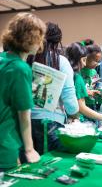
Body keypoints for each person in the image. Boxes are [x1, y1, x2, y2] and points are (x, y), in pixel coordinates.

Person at [0, 12, 46, 170]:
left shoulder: (2, 60)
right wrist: (30, 149)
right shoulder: (20, 68)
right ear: (29, 38)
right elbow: (24, 115)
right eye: (39, 36)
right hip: (6, 145)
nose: (41, 42)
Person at [28, 22, 79, 155]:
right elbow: (70, 99)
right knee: (49, 164)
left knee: (28, 166)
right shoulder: (60, 61)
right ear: (57, 41)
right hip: (50, 122)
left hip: (26, 121)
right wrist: (74, 113)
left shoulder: (28, 58)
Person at [66, 42, 102, 127]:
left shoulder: (93, 72)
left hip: (90, 112)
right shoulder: (77, 76)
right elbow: (81, 106)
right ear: (85, 57)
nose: (97, 64)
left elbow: (96, 90)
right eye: (94, 60)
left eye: (99, 61)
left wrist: (101, 97)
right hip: (80, 116)